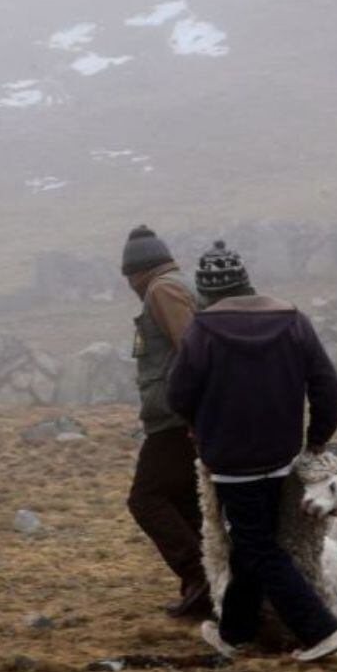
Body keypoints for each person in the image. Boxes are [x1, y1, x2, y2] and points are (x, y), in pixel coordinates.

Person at [168, 240, 337, 663]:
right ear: (246, 282)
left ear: (207, 292)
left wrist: (197, 426)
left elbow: (178, 393)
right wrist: (318, 437)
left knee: (257, 547)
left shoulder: (203, 330)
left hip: (232, 460)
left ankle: (320, 631)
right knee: (252, 544)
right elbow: (325, 382)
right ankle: (235, 634)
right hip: (281, 455)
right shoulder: (292, 320)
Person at [119, 224, 211, 619]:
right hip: (181, 416)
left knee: (147, 498)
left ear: (138, 272)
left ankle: (201, 575)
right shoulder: (174, 285)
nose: (129, 286)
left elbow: (192, 352)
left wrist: (192, 411)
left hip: (175, 418)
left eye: (127, 278)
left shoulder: (163, 290)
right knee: (186, 501)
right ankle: (206, 585)